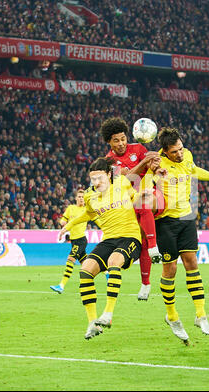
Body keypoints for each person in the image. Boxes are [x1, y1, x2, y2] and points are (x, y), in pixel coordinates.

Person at [143, 127, 209, 344]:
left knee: (192, 263)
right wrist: (152, 182)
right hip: (165, 222)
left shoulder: (188, 156)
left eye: (181, 148)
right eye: (175, 151)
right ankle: (172, 316)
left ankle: (200, 315)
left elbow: (195, 170)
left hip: (186, 218)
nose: (180, 153)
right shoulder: (157, 164)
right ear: (165, 151)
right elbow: (145, 188)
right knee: (171, 268)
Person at [58, 157, 152, 340]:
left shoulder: (123, 184)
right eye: (93, 179)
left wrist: (144, 194)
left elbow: (136, 201)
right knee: (85, 270)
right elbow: (88, 213)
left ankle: (108, 314)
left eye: (100, 177)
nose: (96, 182)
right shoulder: (89, 195)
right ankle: (92, 323)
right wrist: (68, 226)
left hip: (130, 237)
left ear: (109, 174)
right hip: (108, 240)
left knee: (113, 261)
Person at [101, 117, 162, 301]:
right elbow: (127, 179)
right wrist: (144, 163)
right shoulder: (108, 162)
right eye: (116, 140)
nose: (121, 143)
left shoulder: (139, 149)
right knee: (140, 239)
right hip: (129, 204)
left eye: (123, 139)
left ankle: (154, 247)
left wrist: (155, 166)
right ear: (109, 142)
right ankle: (145, 283)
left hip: (152, 195)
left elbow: (152, 168)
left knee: (143, 201)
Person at [50, 189, 88, 294]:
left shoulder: (86, 210)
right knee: (87, 264)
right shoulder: (71, 208)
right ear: (76, 198)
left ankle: (61, 285)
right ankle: (107, 273)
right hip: (74, 240)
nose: (81, 199)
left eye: (82, 197)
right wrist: (62, 222)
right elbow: (64, 219)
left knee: (70, 259)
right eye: (79, 197)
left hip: (81, 240)